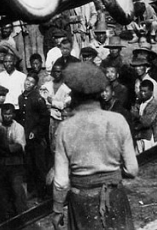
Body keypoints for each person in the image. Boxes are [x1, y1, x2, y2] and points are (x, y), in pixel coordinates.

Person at [52, 62, 138, 230]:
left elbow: (61, 182)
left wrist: (57, 210)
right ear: (100, 93)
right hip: (115, 196)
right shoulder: (118, 120)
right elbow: (132, 169)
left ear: (73, 96)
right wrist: (109, 175)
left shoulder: (65, 128)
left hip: (81, 201)